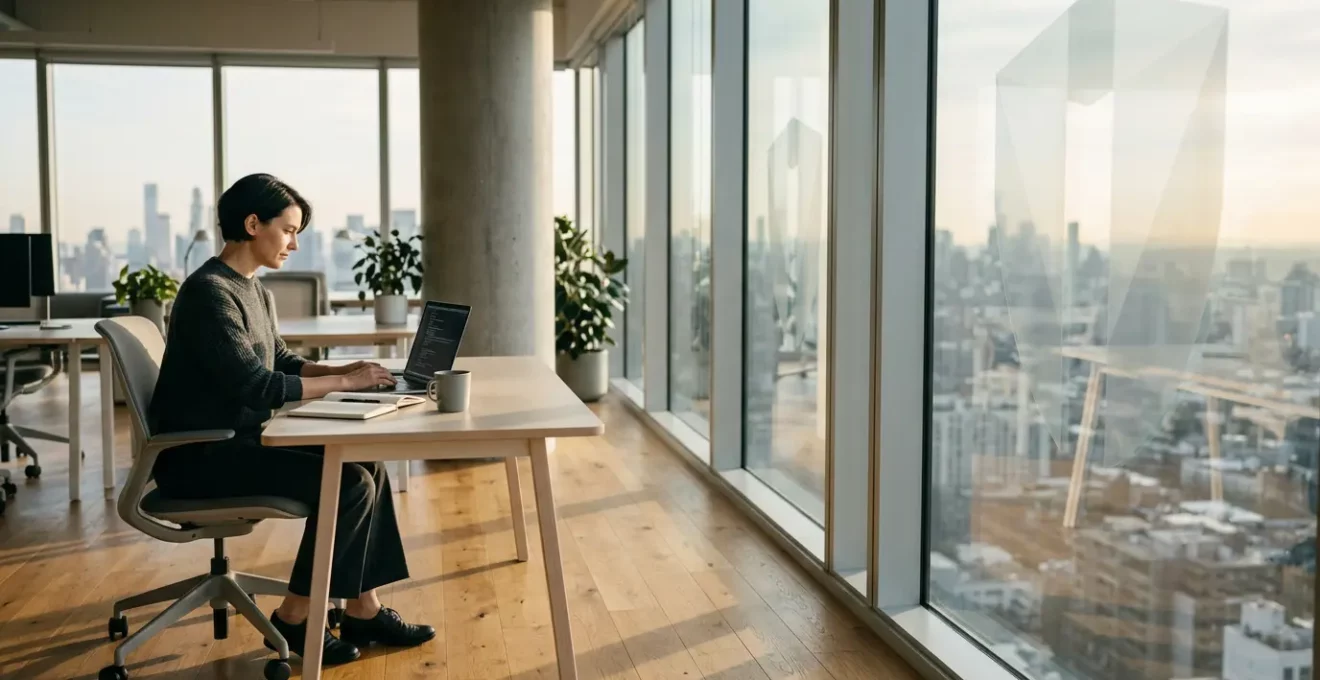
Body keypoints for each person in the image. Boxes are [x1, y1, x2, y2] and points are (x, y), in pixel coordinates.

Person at [149, 173, 434, 665]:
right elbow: (257, 386)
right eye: (289, 230)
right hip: (200, 456)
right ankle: (296, 618)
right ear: (253, 223)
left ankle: (364, 609)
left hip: (240, 443)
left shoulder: (254, 291)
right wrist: (346, 385)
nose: (295, 243)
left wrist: (344, 369)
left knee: (366, 464)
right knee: (348, 486)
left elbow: (279, 361)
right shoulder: (208, 295)